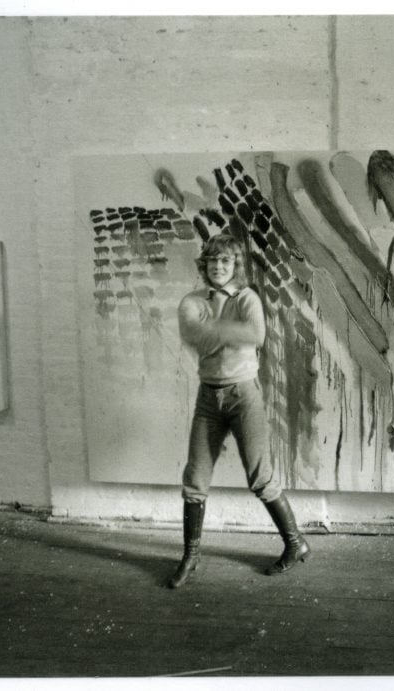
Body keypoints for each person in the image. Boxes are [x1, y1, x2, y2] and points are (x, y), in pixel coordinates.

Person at [167, 233, 310, 589]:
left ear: (235, 266)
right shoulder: (191, 301)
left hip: (244, 395)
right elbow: (194, 334)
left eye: (226, 262)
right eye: (213, 261)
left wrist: (213, 331)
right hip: (208, 398)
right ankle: (190, 556)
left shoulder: (248, 298)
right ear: (204, 265)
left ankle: (296, 544)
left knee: (260, 477)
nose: (218, 267)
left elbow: (256, 336)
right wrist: (230, 332)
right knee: (194, 480)